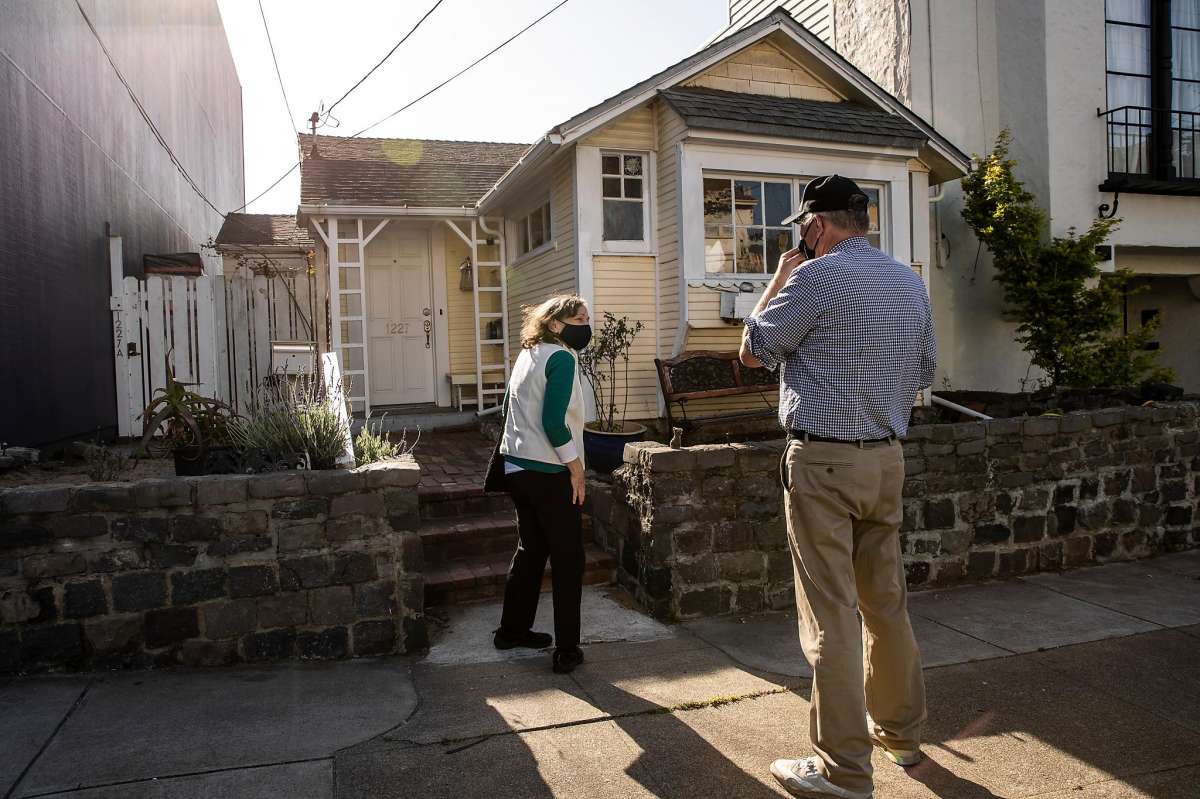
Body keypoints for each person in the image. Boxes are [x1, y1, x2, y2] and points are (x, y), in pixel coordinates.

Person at [740, 175, 936, 799]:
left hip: (824, 461)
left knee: (830, 617)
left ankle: (844, 771)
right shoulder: (909, 281)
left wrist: (777, 278)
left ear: (817, 225)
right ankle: (900, 735)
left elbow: (755, 349)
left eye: (803, 228)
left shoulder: (815, 277)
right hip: (886, 459)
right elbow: (926, 368)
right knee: (887, 603)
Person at [493, 295, 591, 674]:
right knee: (569, 558)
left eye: (587, 318)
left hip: (516, 467)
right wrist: (576, 468)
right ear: (555, 324)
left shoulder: (528, 353)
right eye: (579, 319)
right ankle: (567, 650)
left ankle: (511, 631)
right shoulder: (562, 358)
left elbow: (507, 408)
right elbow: (554, 422)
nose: (586, 325)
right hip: (550, 472)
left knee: (530, 551)